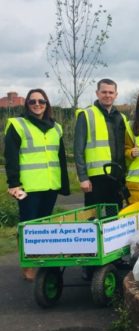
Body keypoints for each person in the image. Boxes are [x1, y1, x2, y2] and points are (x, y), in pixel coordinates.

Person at [4, 89, 69, 281]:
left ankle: (41, 257)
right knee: (28, 226)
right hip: (27, 187)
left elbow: (61, 157)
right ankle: (28, 264)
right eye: (32, 101)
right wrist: (13, 183)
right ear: (27, 104)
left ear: (47, 104)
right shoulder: (17, 125)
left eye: (41, 101)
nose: (37, 104)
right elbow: (11, 157)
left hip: (50, 185)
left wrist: (63, 184)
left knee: (43, 224)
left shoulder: (56, 127)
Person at [74, 78, 129, 212]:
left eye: (111, 92)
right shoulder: (86, 115)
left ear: (116, 95)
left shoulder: (121, 117)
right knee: (92, 218)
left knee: (115, 219)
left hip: (117, 176)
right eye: (104, 92)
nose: (107, 95)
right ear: (97, 93)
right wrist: (83, 178)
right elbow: (78, 150)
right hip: (95, 179)